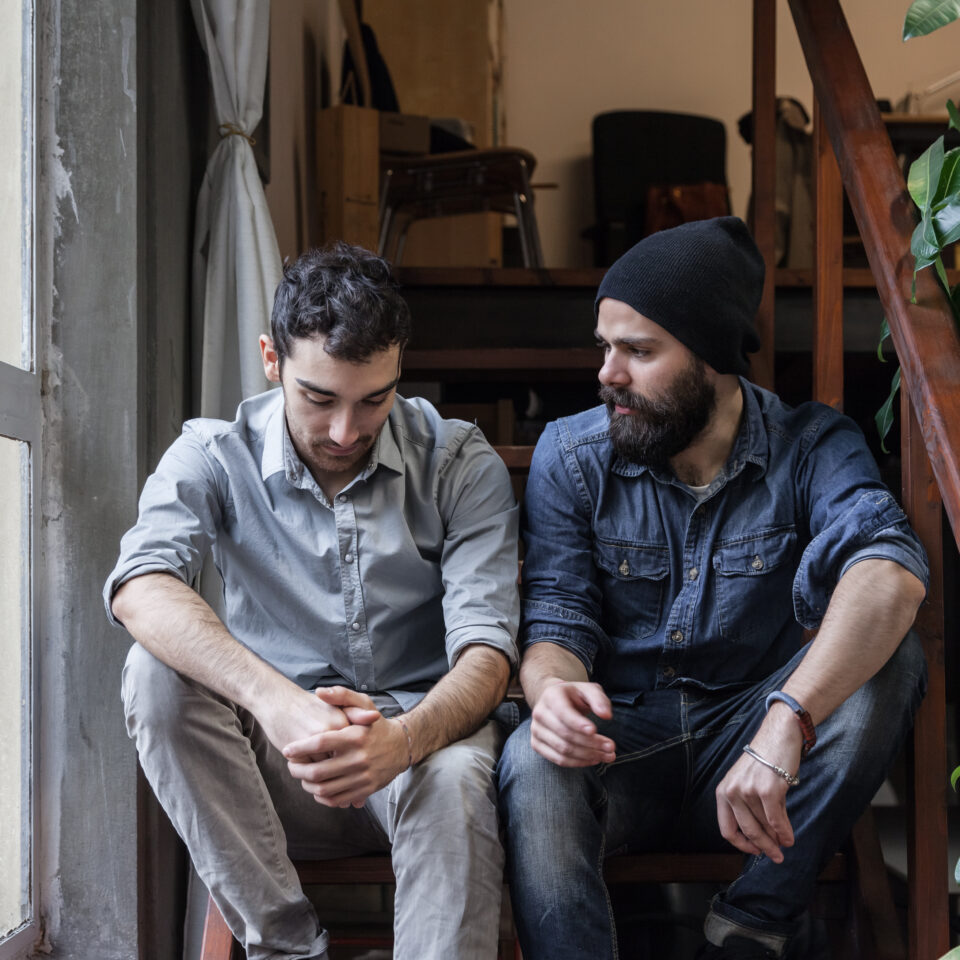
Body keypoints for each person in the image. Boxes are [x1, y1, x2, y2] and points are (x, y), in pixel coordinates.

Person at [497, 217, 928, 960]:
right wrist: (552, 692)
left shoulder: (811, 445)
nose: (608, 374)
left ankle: (752, 926)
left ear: (714, 358)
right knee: (532, 761)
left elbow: (888, 573)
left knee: (893, 655)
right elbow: (556, 624)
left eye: (638, 350)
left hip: (755, 749)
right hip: (620, 746)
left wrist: (786, 721)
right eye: (607, 346)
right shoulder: (573, 455)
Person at [105, 243, 520, 960]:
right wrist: (276, 702)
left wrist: (405, 739)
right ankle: (290, 952)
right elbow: (139, 586)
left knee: (454, 782)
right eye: (319, 397)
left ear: (399, 370)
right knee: (153, 674)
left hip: (423, 753)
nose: (344, 432)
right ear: (273, 359)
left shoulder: (459, 460)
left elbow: (488, 655)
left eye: (374, 400)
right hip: (274, 770)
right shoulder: (212, 454)